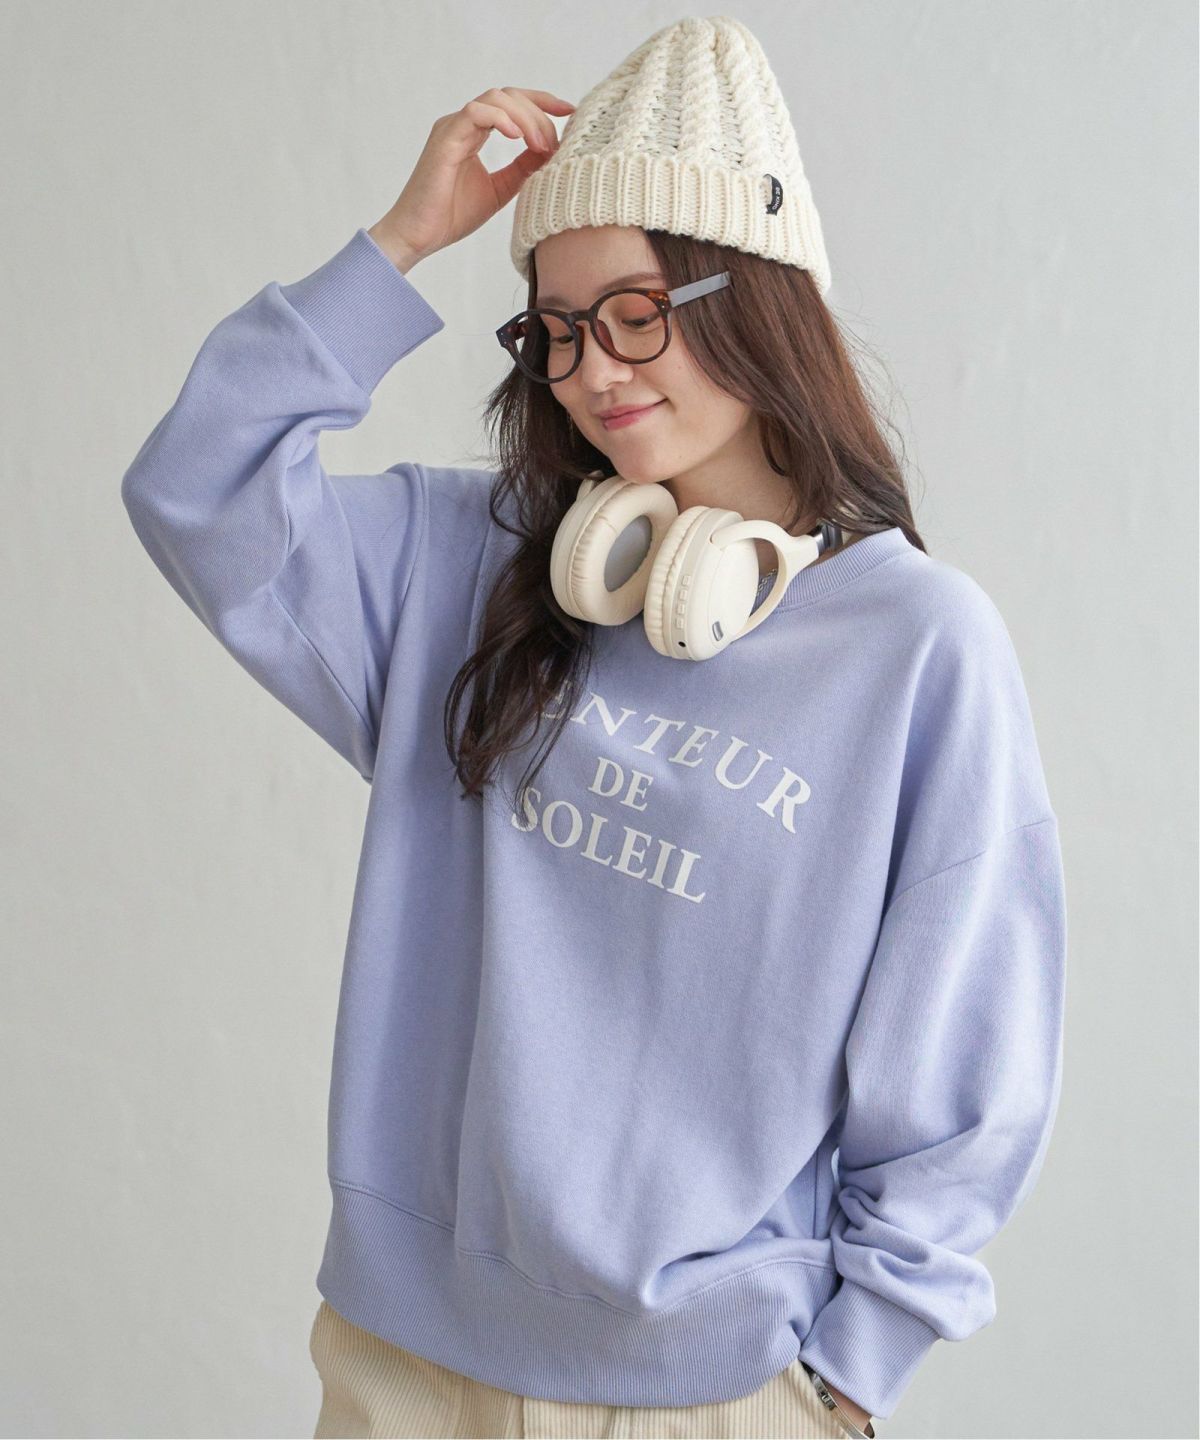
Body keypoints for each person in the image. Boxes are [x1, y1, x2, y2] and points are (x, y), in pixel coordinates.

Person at [120, 16, 1067, 1440]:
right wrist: (401, 243)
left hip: (713, 1393)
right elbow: (197, 488)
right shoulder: (467, 566)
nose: (592, 369)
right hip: (398, 1367)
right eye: (555, 330)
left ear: (757, 298)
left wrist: (850, 1374)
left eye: (636, 310)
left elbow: (968, 1063)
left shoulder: (916, 649)